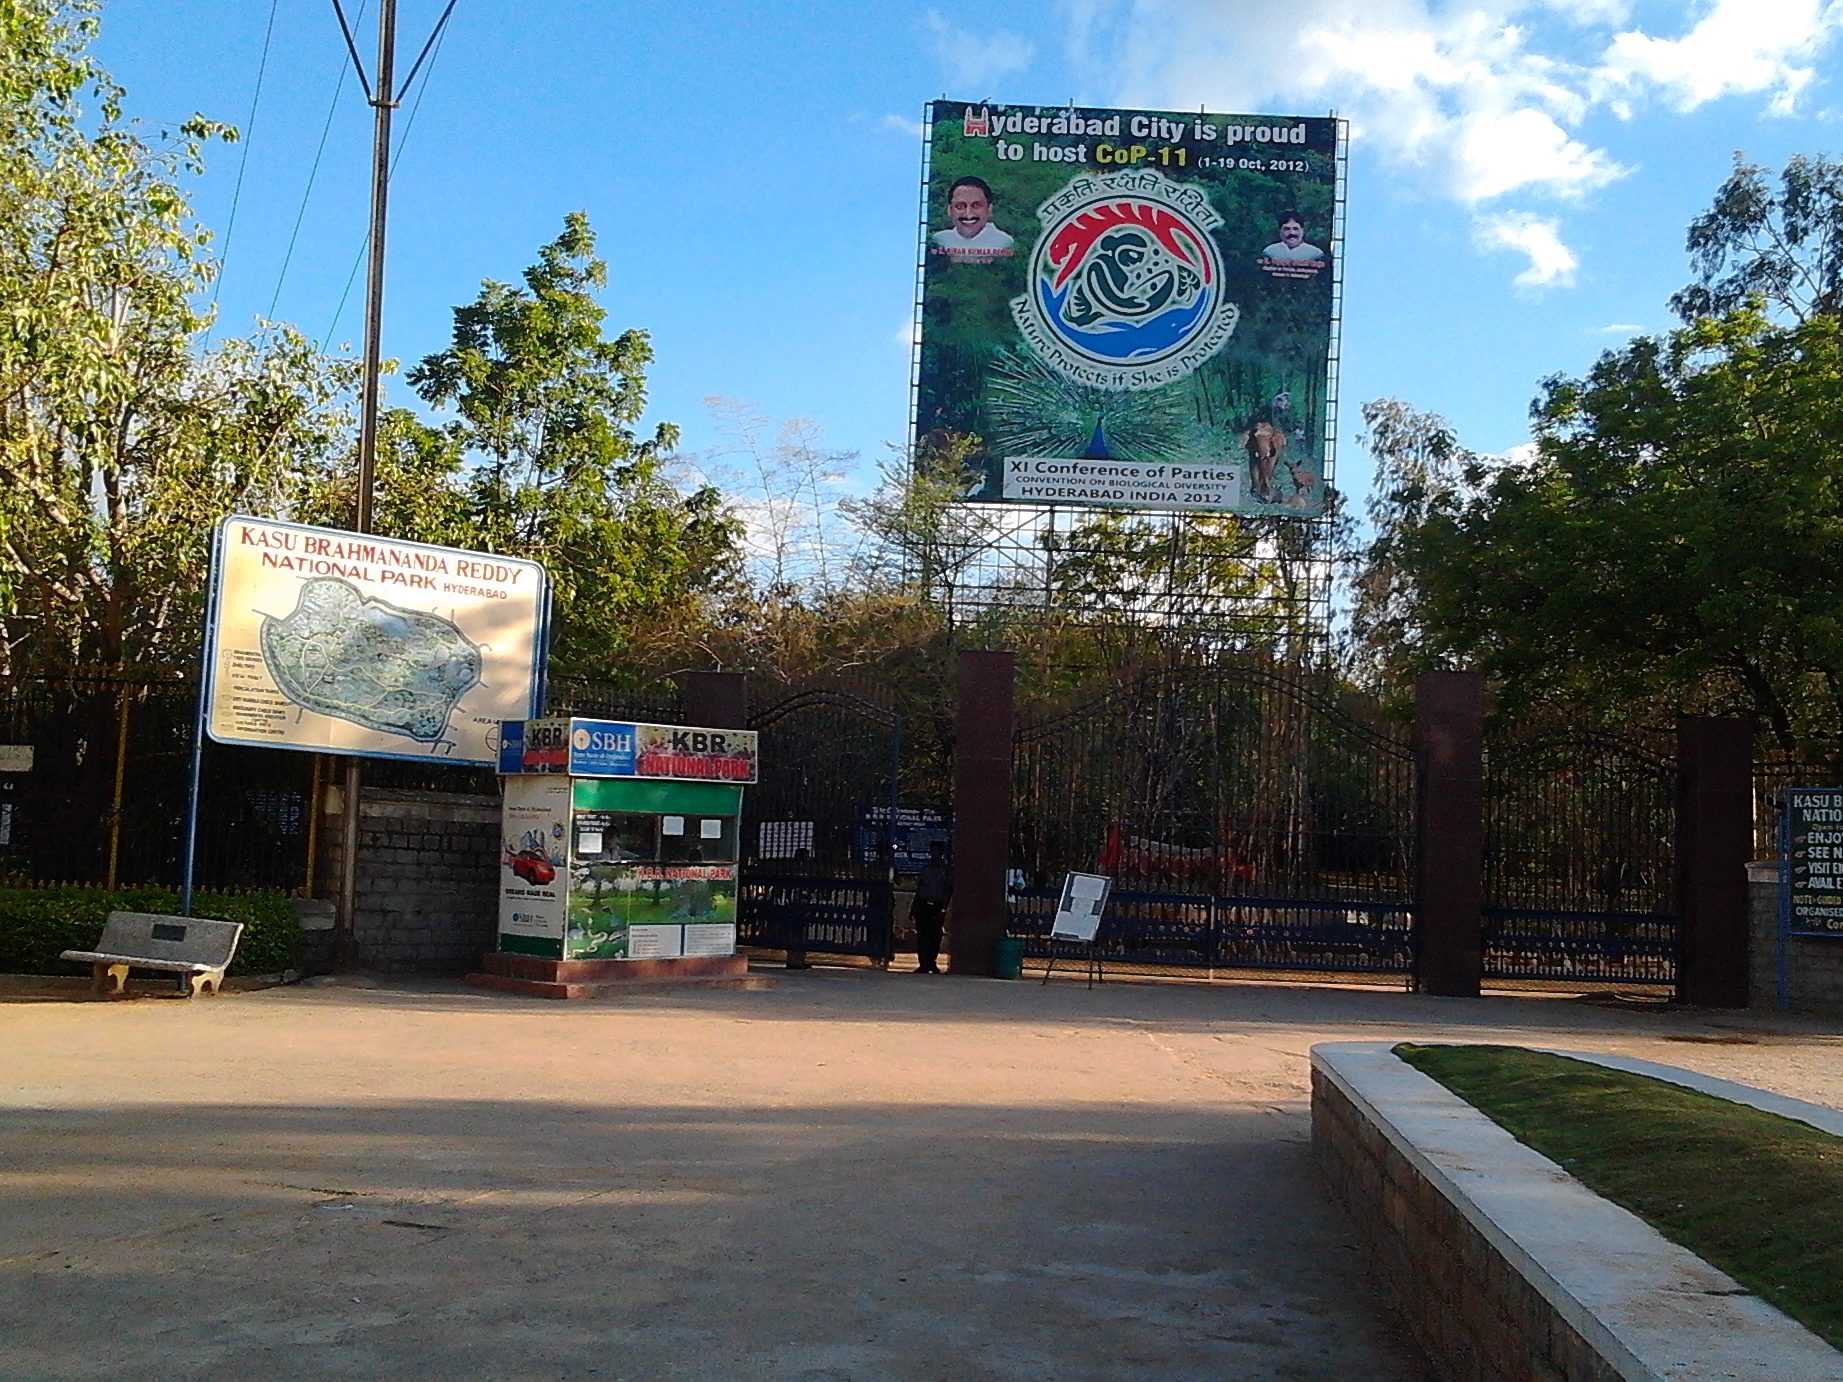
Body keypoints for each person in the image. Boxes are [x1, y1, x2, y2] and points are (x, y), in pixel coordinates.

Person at [931, 177, 1014, 260]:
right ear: (949, 210)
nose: (968, 214)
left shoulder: (1004, 242)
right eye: (960, 206)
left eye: (976, 205)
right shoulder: (939, 240)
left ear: (989, 209)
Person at [911, 841, 952, 973]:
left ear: (941, 853)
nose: (934, 854)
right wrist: (913, 908)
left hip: (937, 907)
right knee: (922, 936)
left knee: (935, 936)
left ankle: (931, 962)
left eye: (937, 851)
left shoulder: (946, 871)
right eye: (932, 851)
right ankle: (923, 963)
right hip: (923, 905)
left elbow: (948, 892)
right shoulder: (926, 870)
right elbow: (919, 890)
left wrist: (943, 909)